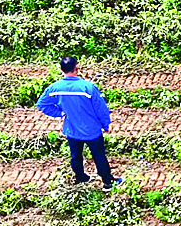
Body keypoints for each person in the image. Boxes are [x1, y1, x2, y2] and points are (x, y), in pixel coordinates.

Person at [37, 56, 124, 190]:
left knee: (76, 156)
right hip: (92, 130)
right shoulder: (88, 88)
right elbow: (100, 109)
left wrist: (59, 113)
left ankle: (81, 178)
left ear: (61, 70)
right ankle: (108, 182)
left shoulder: (55, 88)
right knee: (99, 155)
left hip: (72, 130)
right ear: (77, 68)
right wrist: (106, 125)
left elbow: (42, 104)